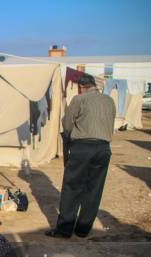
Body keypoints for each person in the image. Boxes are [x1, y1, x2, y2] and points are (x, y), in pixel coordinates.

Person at [47, 74, 116, 239]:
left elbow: (67, 124)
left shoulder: (79, 99)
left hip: (83, 147)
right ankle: (83, 229)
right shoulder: (109, 100)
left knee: (72, 187)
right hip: (103, 148)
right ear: (94, 85)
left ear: (81, 87)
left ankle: (64, 229)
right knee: (94, 189)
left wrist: (69, 139)